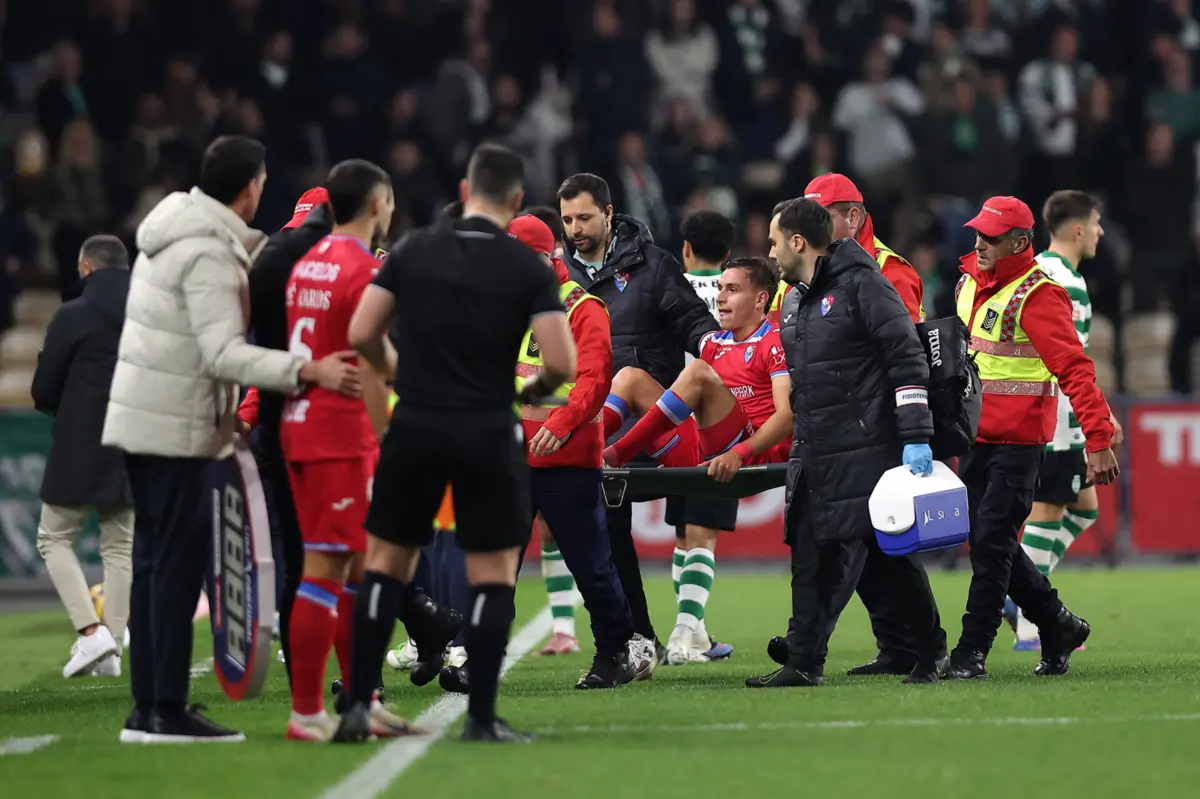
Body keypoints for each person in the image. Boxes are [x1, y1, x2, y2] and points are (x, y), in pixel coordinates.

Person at [102, 135, 362, 744]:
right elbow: (223, 353)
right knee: (174, 566)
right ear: (250, 188)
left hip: (146, 419)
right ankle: (165, 709)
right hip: (176, 428)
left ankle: (150, 708)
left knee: (151, 564)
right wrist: (307, 370)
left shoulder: (174, 228)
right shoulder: (207, 252)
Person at [335, 143, 577, 744]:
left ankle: (359, 708)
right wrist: (524, 390)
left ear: (466, 193)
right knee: (492, 574)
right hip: (487, 427)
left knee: (386, 564)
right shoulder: (527, 268)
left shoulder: (414, 249)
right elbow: (561, 363)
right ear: (518, 201)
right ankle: (481, 717)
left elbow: (362, 331)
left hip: (415, 423)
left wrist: (397, 372)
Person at [747, 198, 945, 689]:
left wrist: (916, 436)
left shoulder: (865, 285)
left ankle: (931, 649)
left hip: (866, 448)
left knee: (887, 555)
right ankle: (804, 664)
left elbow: (907, 359)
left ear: (797, 242)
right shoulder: (792, 299)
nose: (769, 252)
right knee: (812, 554)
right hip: (815, 447)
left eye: (773, 242)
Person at [267, 158, 426, 741]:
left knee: (358, 566)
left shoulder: (305, 261)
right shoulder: (362, 269)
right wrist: (393, 433)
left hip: (304, 422)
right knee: (325, 568)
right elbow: (368, 355)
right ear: (379, 203)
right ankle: (308, 712)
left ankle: (364, 699)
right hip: (341, 431)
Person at [948, 195, 1119, 680]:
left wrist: (1098, 439)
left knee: (991, 540)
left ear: (1020, 242)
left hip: (1020, 443)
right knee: (989, 542)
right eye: (978, 233)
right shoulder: (968, 282)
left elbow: (1075, 371)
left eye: (991, 237)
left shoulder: (1038, 295)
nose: (980, 243)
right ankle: (1056, 622)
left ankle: (971, 651)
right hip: (973, 438)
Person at [558, 173, 720, 660]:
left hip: (651, 422)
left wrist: (721, 351)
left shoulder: (652, 266)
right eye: (566, 220)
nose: (574, 229)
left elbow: (693, 322)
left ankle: (684, 629)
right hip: (589, 423)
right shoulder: (557, 274)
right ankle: (638, 636)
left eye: (584, 217)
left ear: (609, 214)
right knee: (605, 533)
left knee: (691, 520)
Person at [604, 256, 792, 664]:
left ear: (762, 299)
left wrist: (740, 453)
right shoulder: (713, 342)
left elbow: (786, 416)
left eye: (732, 290)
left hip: (747, 450)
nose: (720, 299)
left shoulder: (773, 341)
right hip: (704, 449)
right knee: (630, 377)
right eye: (720, 289)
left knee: (700, 375)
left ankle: (614, 454)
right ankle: (588, 447)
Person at [509, 214, 649, 688]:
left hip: (565, 459)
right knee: (496, 564)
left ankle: (614, 652)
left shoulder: (581, 308)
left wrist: (562, 424)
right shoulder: (508, 306)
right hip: (511, 457)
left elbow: (594, 379)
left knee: (590, 566)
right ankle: (475, 656)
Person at [1008, 190, 1122, 650]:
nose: (1099, 233)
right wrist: (1097, 414)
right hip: (1055, 417)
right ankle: (1029, 621)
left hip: (1054, 412)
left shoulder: (1041, 269)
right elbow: (1067, 359)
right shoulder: (1066, 283)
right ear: (1077, 229)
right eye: (1095, 224)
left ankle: (1020, 596)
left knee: (1085, 509)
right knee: (1049, 510)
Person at [237, 185, 333, 676]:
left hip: (299, 430)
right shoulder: (345, 269)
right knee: (324, 552)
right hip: (318, 433)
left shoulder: (276, 267)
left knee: (318, 553)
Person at [31, 234, 133, 679]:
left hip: (79, 441)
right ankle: (110, 649)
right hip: (133, 438)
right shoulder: (149, 311)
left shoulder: (74, 314)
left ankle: (92, 635)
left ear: (86, 268)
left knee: (53, 537)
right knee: (120, 546)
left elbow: (45, 384)